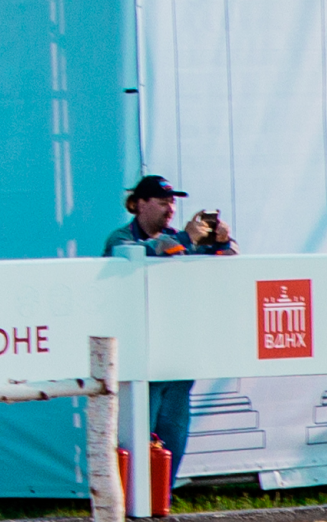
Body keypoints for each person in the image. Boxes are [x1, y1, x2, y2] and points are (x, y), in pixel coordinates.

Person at [100, 175, 235, 474]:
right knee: (136, 438)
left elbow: (229, 264)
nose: (170, 209)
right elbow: (155, 254)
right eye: (163, 202)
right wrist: (187, 240)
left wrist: (221, 242)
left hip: (177, 354)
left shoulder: (176, 238)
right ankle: (132, 507)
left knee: (172, 438)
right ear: (138, 204)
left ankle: (164, 503)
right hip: (140, 357)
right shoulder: (121, 239)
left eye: (172, 202)